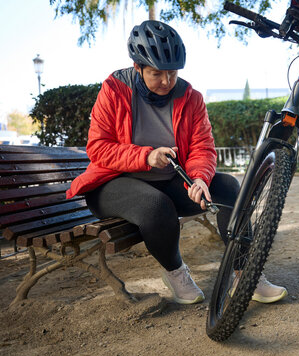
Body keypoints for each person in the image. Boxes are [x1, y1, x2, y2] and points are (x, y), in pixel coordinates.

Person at [66, 20, 287, 305]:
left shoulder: (190, 97)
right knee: (156, 206)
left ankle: (246, 273)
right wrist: (146, 156)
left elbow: (202, 148)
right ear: (138, 67)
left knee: (229, 188)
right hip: (112, 183)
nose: (167, 82)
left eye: (172, 73)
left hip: (168, 181)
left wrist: (198, 179)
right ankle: (176, 272)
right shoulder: (114, 90)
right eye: (157, 73)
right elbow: (98, 148)